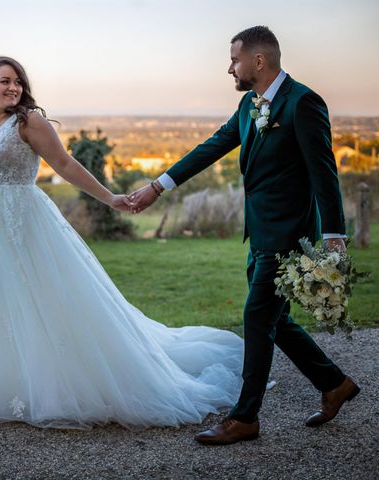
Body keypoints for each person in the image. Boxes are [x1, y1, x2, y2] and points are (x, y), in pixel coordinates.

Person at [0, 56, 245, 430]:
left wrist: (112, 199)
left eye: (18, 82)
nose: (13, 88)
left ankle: (49, 384)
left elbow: (66, 165)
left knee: (33, 300)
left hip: (20, 222)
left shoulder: (29, 122)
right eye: (5, 81)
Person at [129, 26, 360, 444]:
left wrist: (333, 236)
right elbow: (212, 146)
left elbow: (323, 173)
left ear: (257, 61)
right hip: (259, 233)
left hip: (290, 237)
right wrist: (158, 186)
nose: (229, 68)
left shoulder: (302, 103)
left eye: (234, 59)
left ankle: (245, 417)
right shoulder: (249, 105)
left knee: (257, 318)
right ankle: (335, 384)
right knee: (277, 321)